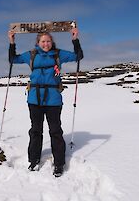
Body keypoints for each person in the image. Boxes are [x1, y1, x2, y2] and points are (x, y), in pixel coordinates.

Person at [8, 27, 83, 177]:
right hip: (34, 99)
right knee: (36, 130)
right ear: (38, 42)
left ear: (52, 42)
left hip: (53, 100)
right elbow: (13, 59)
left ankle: (59, 163)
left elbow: (78, 56)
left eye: (48, 41)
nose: (46, 43)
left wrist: (75, 39)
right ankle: (34, 159)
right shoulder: (31, 55)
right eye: (43, 41)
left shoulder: (58, 54)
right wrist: (12, 42)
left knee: (55, 131)